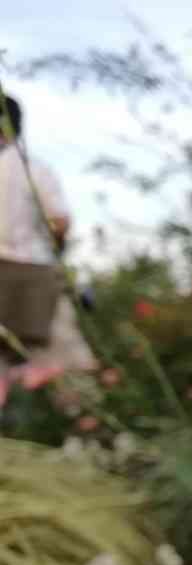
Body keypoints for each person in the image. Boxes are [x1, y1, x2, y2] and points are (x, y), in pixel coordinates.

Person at [0, 93, 97, 406]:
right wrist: (58, 248)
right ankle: (82, 422)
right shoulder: (34, 169)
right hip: (34, 271)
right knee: (63, 357)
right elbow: (60, 221)